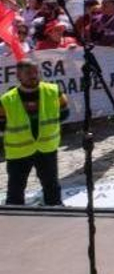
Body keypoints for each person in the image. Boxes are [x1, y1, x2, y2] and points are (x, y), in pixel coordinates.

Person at [3, 59, 68, 206]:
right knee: (15, 190)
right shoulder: (6, 100)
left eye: (35, 72)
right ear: (18, 75)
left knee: (51, 186)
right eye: (28, 73)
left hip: (46, 148)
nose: (33, 76)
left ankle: (56, 212)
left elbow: (65, 112)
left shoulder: (53, 91)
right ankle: (14, 219)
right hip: (18, 152)